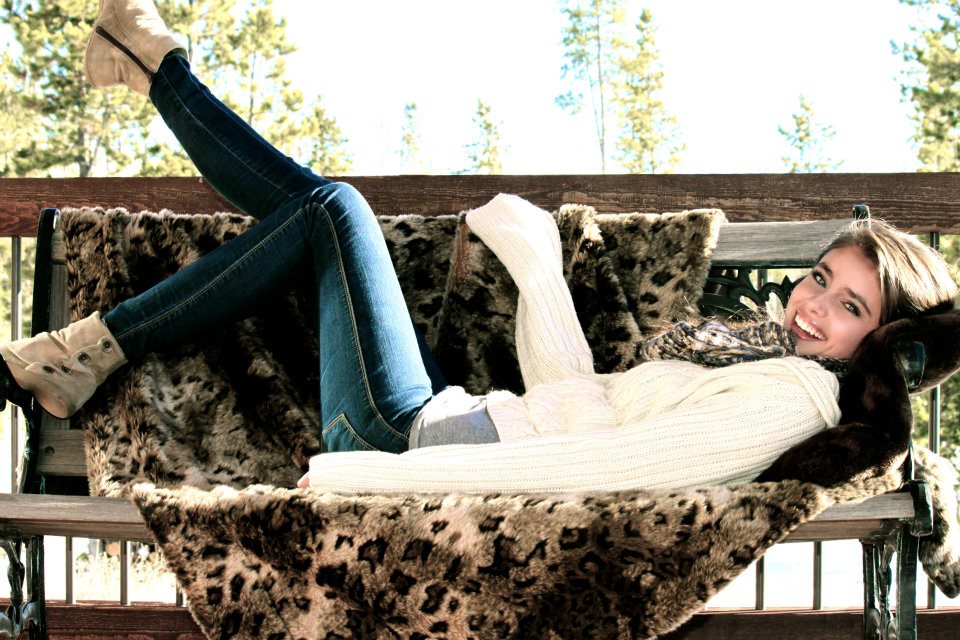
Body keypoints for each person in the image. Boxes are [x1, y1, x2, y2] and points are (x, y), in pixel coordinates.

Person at [1, 0, 956, 494]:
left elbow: (600, 474)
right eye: (820, 278)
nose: (813, 305)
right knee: (321, 211)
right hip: (438, 418)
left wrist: (376, 477)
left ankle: (152, 83)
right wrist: (535, 257)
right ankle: (150, 70)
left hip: (404, 441)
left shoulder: (793, 399)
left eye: (850, 307)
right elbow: (576, 407)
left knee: (333, 209)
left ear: (883, 339)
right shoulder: (769, 366)